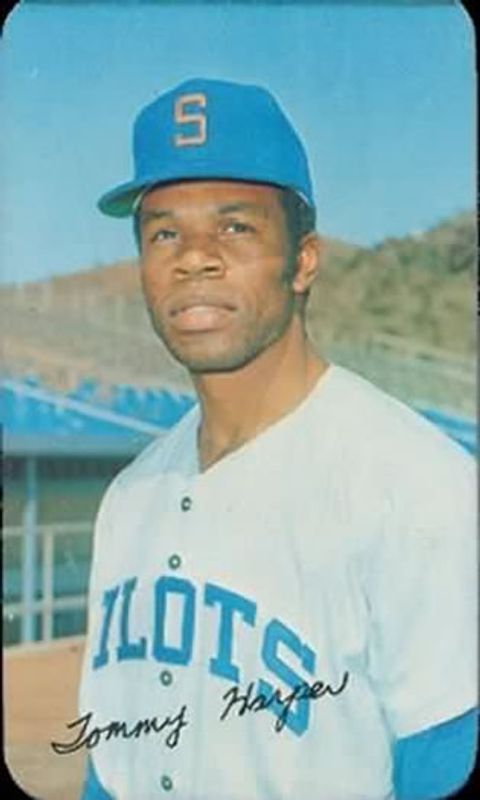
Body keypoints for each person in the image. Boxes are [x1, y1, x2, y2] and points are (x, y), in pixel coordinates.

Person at [76, 78, 477, 800]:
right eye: (164, 232)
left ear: (304, 260)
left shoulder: (419, 485)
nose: (193, 258)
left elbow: (447, 767)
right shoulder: (129, 498)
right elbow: (108, 769)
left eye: (235, 227)